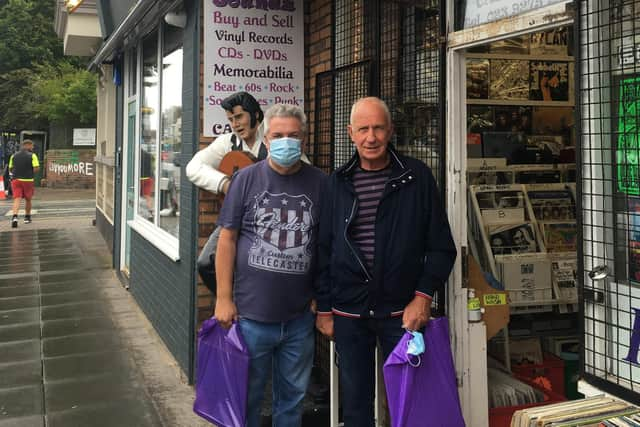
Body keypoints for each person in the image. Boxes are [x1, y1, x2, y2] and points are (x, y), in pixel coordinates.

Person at [314, 97, 457, 427]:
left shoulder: (416, 177)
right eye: (363, 129)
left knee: (411, 401)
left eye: (378, 128)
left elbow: (441, 247)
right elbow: (323, 249)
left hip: (403, 313)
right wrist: (324, 308)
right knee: (355, 405)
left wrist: (423, 297)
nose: (371, 137)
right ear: (350, 133)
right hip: (349, 313)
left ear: (391, 130)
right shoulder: (337, 183)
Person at [214, 104, 327, 427]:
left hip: (299, 320)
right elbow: (227, 240)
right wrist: (223, 298)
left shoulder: (320, 183)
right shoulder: (245, 180)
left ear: (303, 138)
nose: (286, 142)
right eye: (278, 135)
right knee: (246, 397)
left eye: (293, 135)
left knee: (291, 400)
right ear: (266, 138)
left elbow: (325, 245)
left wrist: (322, 294)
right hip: (250, 317)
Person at [9, 140, 40, 228]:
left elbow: (11, 168)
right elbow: (36, 168)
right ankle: (27, 217)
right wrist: (30, 172)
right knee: (28, 199)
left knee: (16, 199)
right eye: (32, 146)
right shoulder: (32, 155)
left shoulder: (13, 155)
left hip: (16, 180)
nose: (33, 147)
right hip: (28, 180)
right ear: (28, 145)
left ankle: (14, 217)